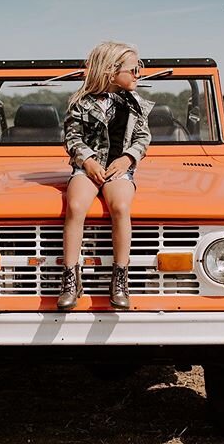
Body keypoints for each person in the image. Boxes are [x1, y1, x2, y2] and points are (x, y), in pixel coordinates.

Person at [58, 41, 154, 311]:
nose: (139, 74)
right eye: (134, 69)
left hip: (119, 167)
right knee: (75, 206)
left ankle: (120, 279)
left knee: (121, 206)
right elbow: (72, 137)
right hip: (87, 167)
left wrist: (128, 158)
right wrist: (87, 161)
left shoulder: (136, 104)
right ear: (111, 72)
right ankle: (70, 278)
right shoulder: (80, 102)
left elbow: (143, 137)